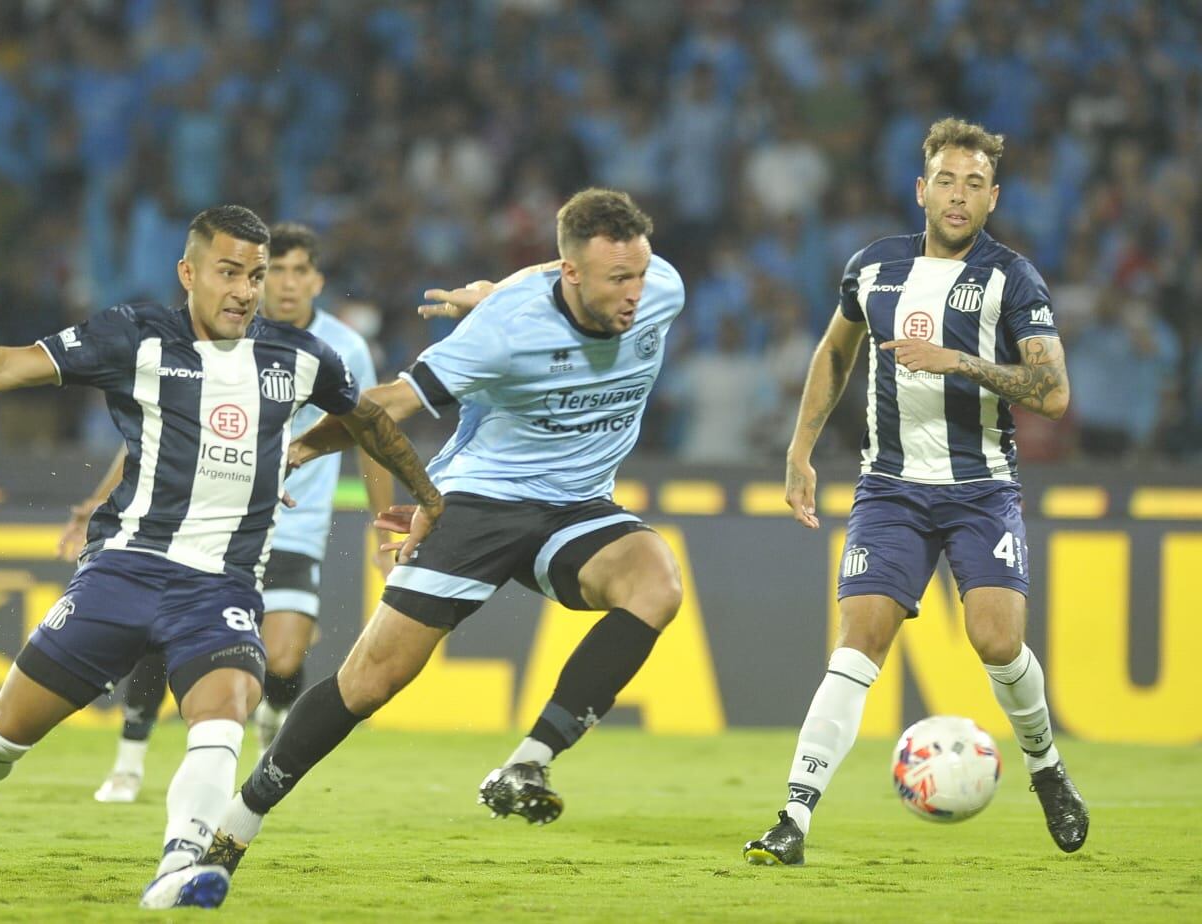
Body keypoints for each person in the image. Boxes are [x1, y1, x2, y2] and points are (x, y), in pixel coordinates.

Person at [0, 205, 442, 909]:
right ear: (190, 272)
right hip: (124, 571)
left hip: (222, 587)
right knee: (1, 738)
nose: (244, 290)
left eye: (255, 276)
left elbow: (370, 421)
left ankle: (180, 863)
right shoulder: (133, 336)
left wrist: (426, 497)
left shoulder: (296, 358)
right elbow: (7, 367)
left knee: (227, 705)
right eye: (229, 272)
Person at [195, 188, 687, 878]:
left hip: (577, 506)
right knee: (371, 681)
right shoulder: (506, 332)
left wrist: (492, 285)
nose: (636, 292)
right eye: (618, 279)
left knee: (655, 582)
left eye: (639, 273)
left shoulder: (663, 287)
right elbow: (387, 404)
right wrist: (299, 449)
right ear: (575, 275)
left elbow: (550, 271)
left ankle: (526, 764)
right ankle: (237, 821)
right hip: (479, 501)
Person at [742, 118, 1087, 867]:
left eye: (974, 184)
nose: (958, 196)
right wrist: (800, 449)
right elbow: (837, 350)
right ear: (920, 187)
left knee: (997, 640)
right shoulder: (873, 267)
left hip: (981, 490)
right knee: (857, 642)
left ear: (993, 198)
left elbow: (1054, 392)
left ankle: (1046, 768)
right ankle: (793, 818)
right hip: (889, 488)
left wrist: (959, 362)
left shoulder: (1012, 278)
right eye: (946, 180)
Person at [66, 222, 397, 804]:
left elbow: (369, 435)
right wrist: (98, 497)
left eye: (300, 272)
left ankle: (272, 717)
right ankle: (129, 758)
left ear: (317, 280)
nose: (287, 285)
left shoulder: (342, 351)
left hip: (296, 526)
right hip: (208, 518)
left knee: (288, 653)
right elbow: (156, 429)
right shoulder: (221, 338)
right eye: (278, 273)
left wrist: (383, 523)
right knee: (157, 634)